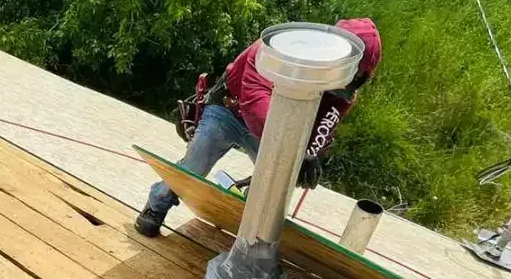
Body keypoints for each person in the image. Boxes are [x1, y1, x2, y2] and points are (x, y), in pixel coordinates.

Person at [135, 18, 382, 237]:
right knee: (193, 167)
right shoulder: (275, 48)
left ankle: (249, 234)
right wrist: (296, 150)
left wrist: (312, 154)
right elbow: (255, 102)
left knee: (273, 187)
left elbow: (326, 121)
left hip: (278, 131)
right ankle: (156, 205)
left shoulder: (344, 89)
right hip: (229, 111)